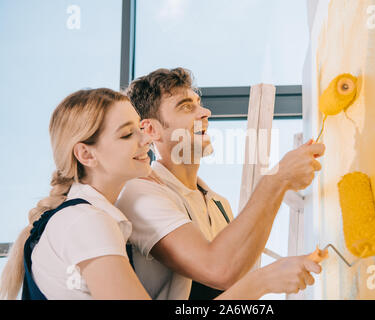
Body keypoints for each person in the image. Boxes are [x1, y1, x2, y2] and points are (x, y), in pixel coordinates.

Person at [0, 87, 321, 300]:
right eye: (127, 135)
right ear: (86, 155)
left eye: (139, 128)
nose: (144, 140)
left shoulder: (95, 219)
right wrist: (261, 283)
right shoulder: (85, 222)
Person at [116, 67, 326, 299]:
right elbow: (218, 269)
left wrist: (280, 183)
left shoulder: (218, 204)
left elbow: (235, 287)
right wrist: (277, 180)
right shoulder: (141, 194)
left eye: (199, 103)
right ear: (151, 130)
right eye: (186, 106)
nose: (205, 112)